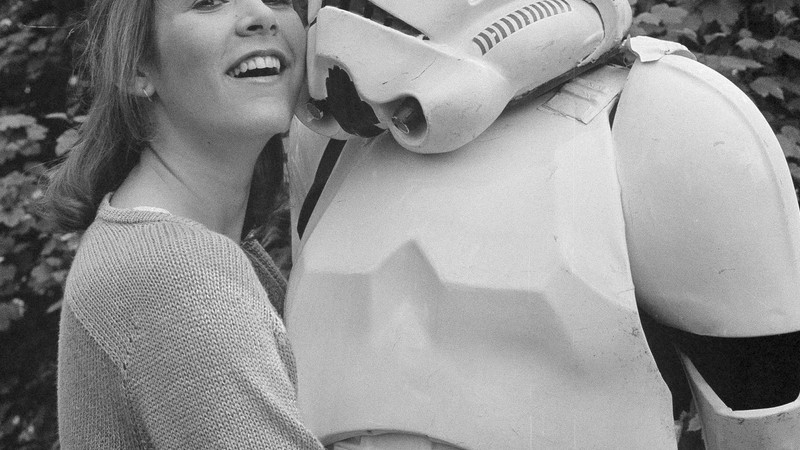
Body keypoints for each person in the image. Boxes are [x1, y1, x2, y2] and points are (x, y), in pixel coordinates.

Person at [44, 0, 323, 448]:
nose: (262, 14)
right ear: (136, 66)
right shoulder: (176, 275)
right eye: (209, 1)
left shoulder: (168, 248)